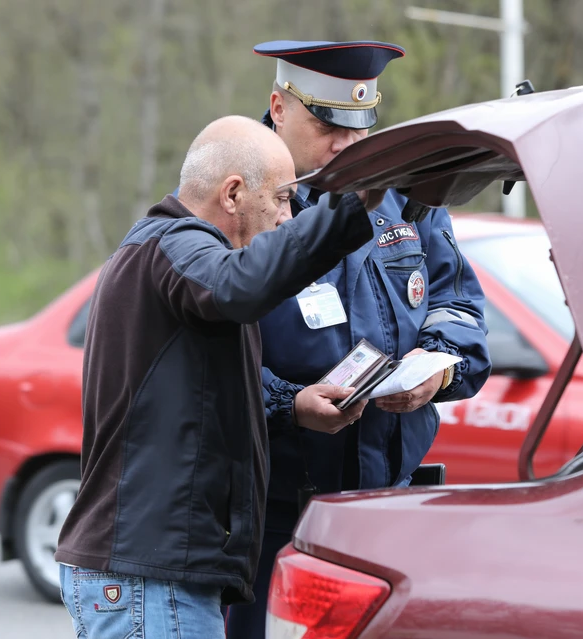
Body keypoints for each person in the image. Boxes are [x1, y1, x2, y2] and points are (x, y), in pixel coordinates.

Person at [53, 115, 383, 639]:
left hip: (154, 576)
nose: (288, 214)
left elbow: (197, 394)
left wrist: (292, 404)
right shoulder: (175, 244)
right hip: (151, 582)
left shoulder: (165, 257)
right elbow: (238, 286)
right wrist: (353, 203)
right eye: (279, 199)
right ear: (232, 195)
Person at [223, 41, 494, 638]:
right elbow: (205, 355)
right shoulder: (238, 198)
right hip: (277, 519)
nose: (346, 146)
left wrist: (438, 366)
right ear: (279, 107)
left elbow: (459, 307)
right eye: (327, 126)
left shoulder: (406, 197)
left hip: (387, 508)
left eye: (359, 126)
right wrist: (288, 405)